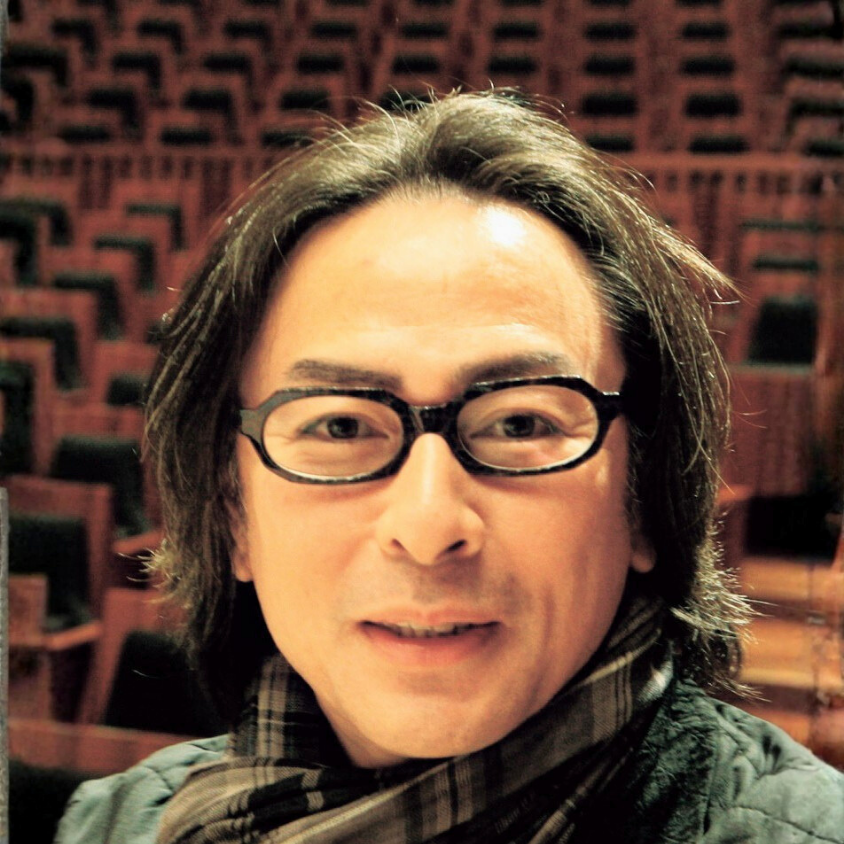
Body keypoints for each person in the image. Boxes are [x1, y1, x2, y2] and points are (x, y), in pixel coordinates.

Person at [55, 91, 844, 844]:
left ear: (643, 499)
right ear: (234, 515)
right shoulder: (112, 824)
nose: (429, 526)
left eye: (521, 423)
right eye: (340, 426)